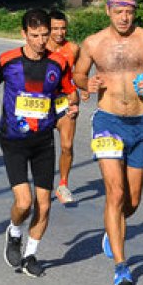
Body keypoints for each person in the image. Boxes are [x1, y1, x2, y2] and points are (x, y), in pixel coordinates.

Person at [72, 0, 143, 285]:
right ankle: (121, 266)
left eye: (129, 12)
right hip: (107, 121)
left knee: (132, 201)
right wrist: (87, 84)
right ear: (108, 10)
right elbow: (79, 74)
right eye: (118, 12)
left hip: (141, 124)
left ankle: (113, 227)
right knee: (115, 193)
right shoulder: (93, 43)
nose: (124, 18)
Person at [0, 9, 68, 277]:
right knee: (24, 203)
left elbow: (67, 94)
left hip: (43, 141)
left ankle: (30, 255)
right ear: (23, 34)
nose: (41, 41)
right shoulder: (8, 60)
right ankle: (15, 231)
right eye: (34, 35)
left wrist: (70, 107)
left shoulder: (58, 62)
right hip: (14, 140)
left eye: (45, 35)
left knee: (45, 204)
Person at [47, 10, 81, 204]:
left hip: (65, 100)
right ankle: (43, 184)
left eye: (63, 28)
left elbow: (80, 73)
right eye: (55, 29)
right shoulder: (40, 47)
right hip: (43, 102)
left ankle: (63, 184)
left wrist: (83, 88)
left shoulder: (73, 48)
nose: (60, 33)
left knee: (67, 145)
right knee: (42, 148)